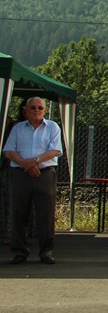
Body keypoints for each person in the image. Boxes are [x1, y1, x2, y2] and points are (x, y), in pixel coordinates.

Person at [3, 97, 63, 265]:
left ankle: (46, 252)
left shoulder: (52, 127)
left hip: (44, 173)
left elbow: (55, 150)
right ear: (26, 110)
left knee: (46, 214)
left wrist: (34, 161)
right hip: (20, 173)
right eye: (33, 108)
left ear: (45, 110)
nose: (37, 110)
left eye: (40, 108)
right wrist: (26, 165)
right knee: (19, 213)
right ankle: (19, 252)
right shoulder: (17, 128)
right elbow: (9, 151)